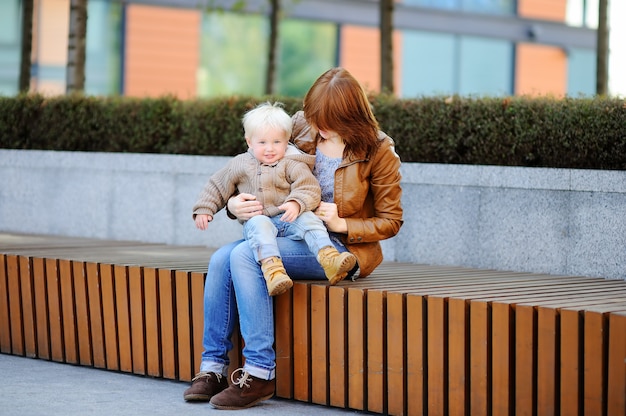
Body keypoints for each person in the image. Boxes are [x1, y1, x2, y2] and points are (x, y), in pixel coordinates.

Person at [183, 67, 403, 410]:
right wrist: (233, 205)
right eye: (316, 119)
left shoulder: (378, 149)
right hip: (286, 231)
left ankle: (259, 372)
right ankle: (212, 368)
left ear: (352, 117)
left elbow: (391, 221)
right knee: (220, 258)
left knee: (243, 256)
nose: (320, 128)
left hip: (339, 248)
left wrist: (343, 223)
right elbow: (255, 166)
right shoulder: (302, 124)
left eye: (329, 122)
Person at [192, 101, 357, 296]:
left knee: (309, 219)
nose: (270, 149)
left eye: (277, 142)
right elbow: (217, 185)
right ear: (249, 142)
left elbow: (309, 187)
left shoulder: (291, 164)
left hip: (289, 221)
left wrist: (296, 203)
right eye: (262, 143)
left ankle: (328, 256)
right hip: (260, 222)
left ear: (287, 141)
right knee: (259, 224)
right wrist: (204, 209)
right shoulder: (240, 164)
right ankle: (273, 271)